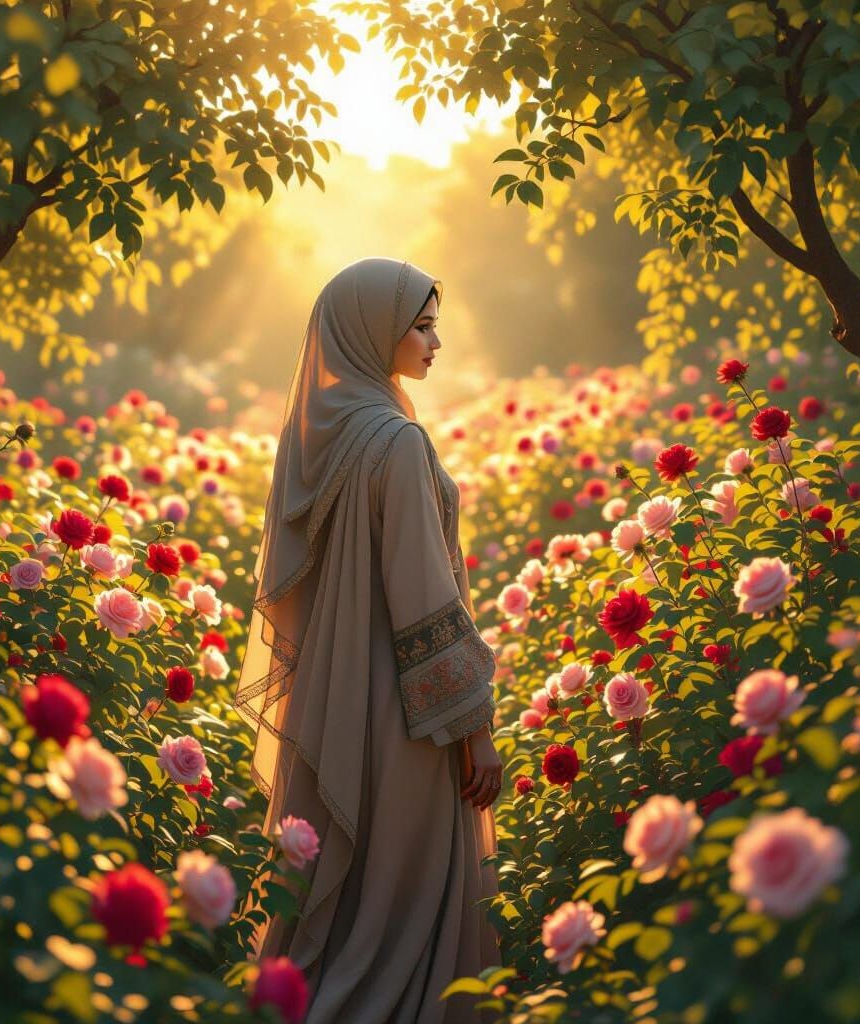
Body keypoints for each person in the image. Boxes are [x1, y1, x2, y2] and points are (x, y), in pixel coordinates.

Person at [233, 257, 503, 1023]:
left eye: (433, 323)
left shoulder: (326, 436)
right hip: (410, 723)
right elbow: (426, 604)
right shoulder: (397, 443)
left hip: (337, 705)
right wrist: (473, 730)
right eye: (420, 326)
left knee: (352, 911)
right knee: (404, 920)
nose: (435, 342)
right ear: (371, 332)